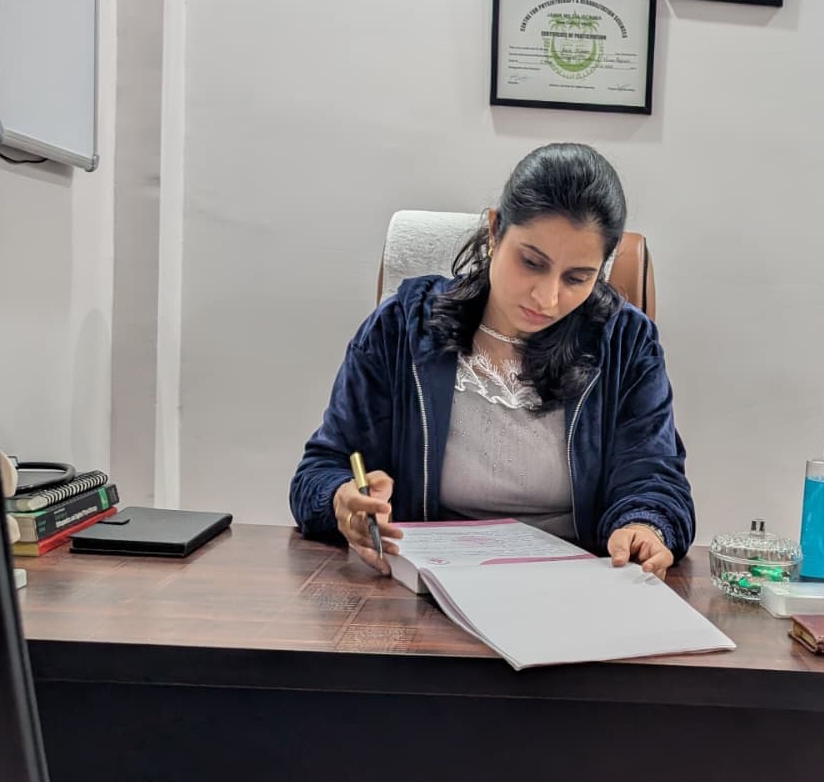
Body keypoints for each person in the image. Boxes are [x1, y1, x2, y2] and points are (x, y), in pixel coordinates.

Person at [290, 142, 693, 580]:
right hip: (428, 589)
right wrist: (341, 500)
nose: (548, 297)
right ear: (495, 229)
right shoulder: (403, 328)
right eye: (531, 262)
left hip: (576, 588)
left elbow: (655, 480)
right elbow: (320, 469)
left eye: (577, 278)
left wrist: (644, 526)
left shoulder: (625, 342)